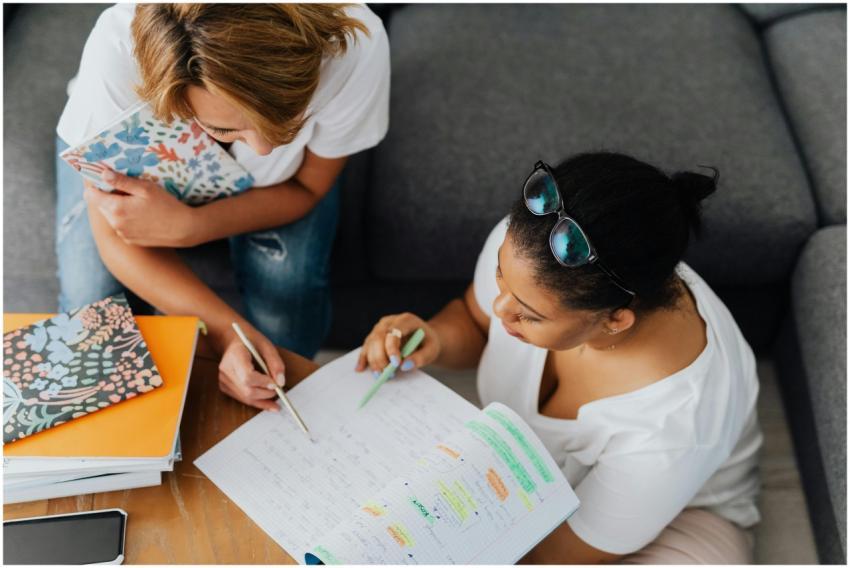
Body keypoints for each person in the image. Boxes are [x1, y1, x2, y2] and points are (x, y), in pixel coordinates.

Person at [357, 152, 762, 563]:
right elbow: (476, 322)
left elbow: (551, 554)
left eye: (528, 315)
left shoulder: (674, 426)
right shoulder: (536, 250)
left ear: (614, 321)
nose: (500, 309)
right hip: (521, 476)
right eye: (501, 275)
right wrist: (436, 337)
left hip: (677, 516)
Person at [54, 3, 389, 412]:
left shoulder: (354, 42)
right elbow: (114, 235)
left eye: (292, 120)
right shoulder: (118, 55)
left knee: (287, 299)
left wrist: (192, 227)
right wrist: (227, 332)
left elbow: (305, 186)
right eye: (225, 128)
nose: (267, 148)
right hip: (125, 141)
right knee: (92, 305)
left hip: (286, 187)